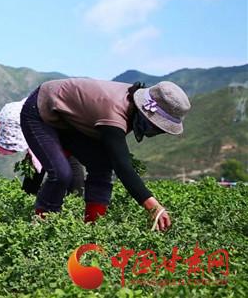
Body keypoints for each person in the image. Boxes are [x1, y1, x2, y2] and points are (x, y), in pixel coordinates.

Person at [20, 79, 191, 231]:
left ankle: (94, 229)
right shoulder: (114, 114)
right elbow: (122, 166)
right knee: (61, 173)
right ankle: (42, 228)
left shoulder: (130, 106)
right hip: (40, 110)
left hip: (68, 120)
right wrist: (154, 206)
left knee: (102, 166)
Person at [0, 99, 85, 196]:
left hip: (65, 148)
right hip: (36, 150)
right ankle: (28, 207)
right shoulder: (8, 120)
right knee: (30, 188)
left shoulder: (51, 117)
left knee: (75, 187)